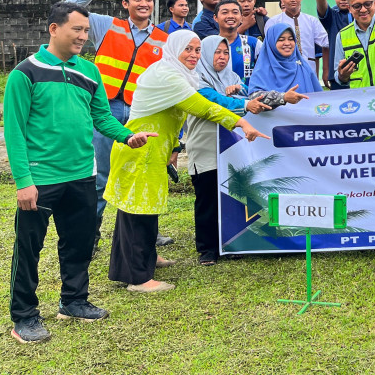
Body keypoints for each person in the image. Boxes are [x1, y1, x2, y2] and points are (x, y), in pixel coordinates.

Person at [4, 2, 158, 343]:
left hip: (82, 175)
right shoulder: (24, 73)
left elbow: (102, 116)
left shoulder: (89, 72)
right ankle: (24, 316)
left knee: (78, 244)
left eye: (86, 31)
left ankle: (74, 301)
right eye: (77, 30)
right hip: (41, 178)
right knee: (29, 249)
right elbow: (13, 131)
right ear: (54, 29)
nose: (83, 37)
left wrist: (127, 136)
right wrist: (24, 181)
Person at [104, 30, 268, 292]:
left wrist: (174, 147)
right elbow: (201, 106)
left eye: (197, 50)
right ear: (174, 49)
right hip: (140, 148)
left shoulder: (178, 72)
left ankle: (148, 258)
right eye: (187, 50)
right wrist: (241, 121)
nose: (193, 55)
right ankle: (138, 278)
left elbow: (173, 117)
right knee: (137, 210)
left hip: (155, 147)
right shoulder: (167, 74)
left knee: (148, 206)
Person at [65, 0, 168, 246]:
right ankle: (90, 235)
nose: (144, 3)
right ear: (126, 3)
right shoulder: (106, 25)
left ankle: (147, 235)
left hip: (140, 113)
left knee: (140, 174)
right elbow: (66, 10)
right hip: (104, 110)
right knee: (100, 176)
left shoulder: (163, 40)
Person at [188, 37, 300, 265]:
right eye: (216, 53)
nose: (222, 57)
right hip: (206, 145)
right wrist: (245, 103)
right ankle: (207, 249)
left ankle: (230, 243)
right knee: (207, 197)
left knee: (232, 195)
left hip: (231, 145)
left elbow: (252, 96)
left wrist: (281, 98)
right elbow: (215, 102)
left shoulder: (233, 78)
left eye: (225, 53)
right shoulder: (194, 80)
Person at [266, 0, 330, 83]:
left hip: (309, 70)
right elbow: (269, 50)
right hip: (283, 73)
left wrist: (326, 71)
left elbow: (327, 43)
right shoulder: (273, 22)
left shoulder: (312, 21)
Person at [250, 24, 323, 95]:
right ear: (271, 43)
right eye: (281, 40)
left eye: (291, 39)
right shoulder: (262, 70)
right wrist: (283, 98)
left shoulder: (303, 67)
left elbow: (319, 97)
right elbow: (255, 96)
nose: (287, 43)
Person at [213, 0, 262, 88]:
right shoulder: (208, 45)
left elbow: (265, 72)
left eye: (235, 12)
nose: (230, 16)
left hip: (248, 99)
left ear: (241, 17)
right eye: (225, 13)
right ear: (215, 18)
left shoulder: (254, 43)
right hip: (216, 99)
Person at [315, 0, 352, 88]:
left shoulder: (362, 15)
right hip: (338, 75)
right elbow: (322, 5)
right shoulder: (333, 17)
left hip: (362, 74)